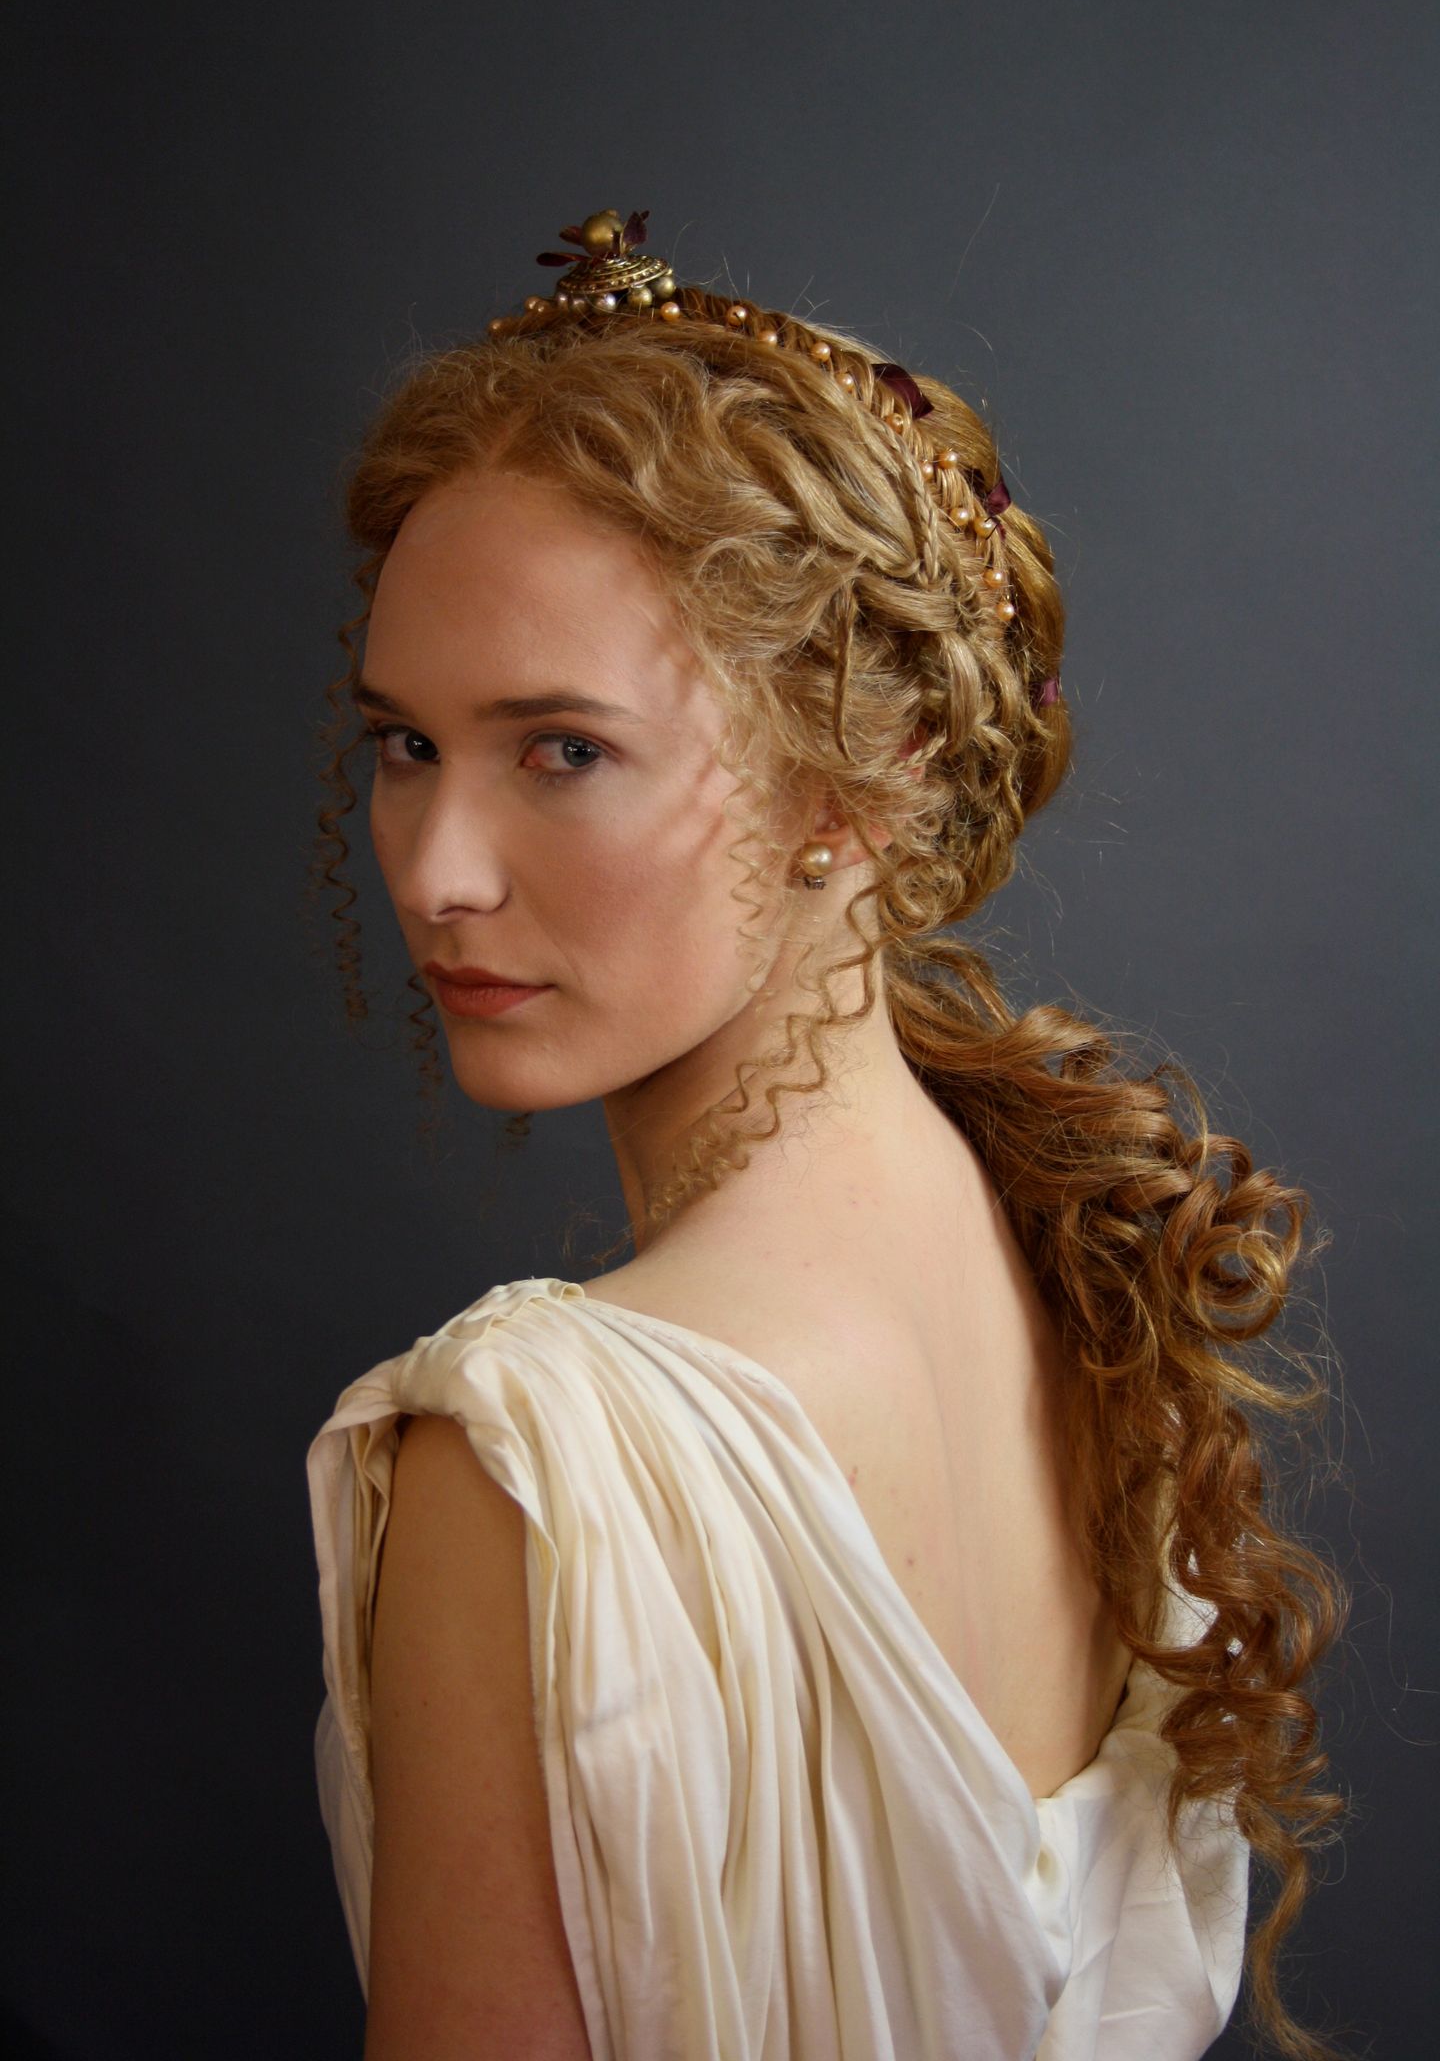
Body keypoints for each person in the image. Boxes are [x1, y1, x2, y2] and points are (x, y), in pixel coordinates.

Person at [305, 207, 1344, 2060]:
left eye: (561, 750)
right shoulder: (1065, 1256)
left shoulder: (539, 1456)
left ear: (857, 785)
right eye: (406, 744)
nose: (440, 872)